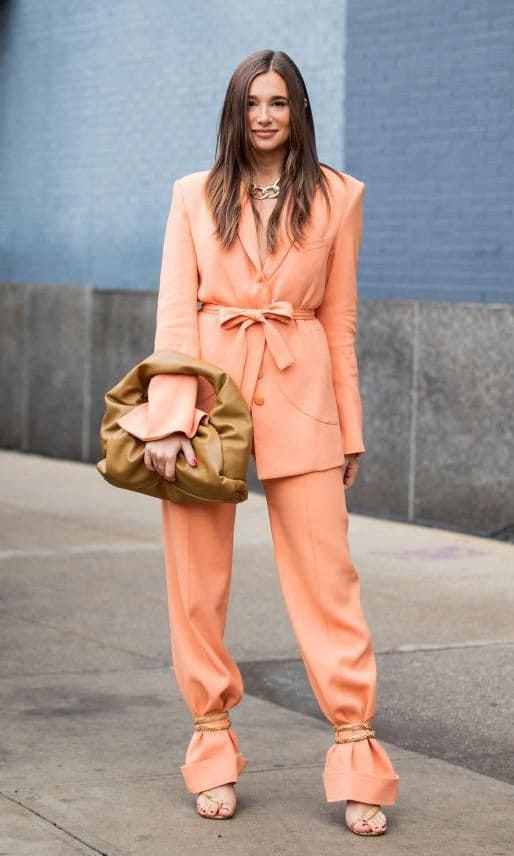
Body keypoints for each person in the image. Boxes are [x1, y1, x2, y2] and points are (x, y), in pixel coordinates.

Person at [119, 49, 400, 836]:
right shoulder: (190, 196)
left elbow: (339, 322)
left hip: (305, 395)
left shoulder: (341, 198)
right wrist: (168, 422)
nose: (266, 115)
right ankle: (210, 744)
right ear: (235, 112)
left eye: (279, 102)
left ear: (299, 109)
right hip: (205, 401)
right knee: (196, 584)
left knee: (327, 581)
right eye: (252, 103)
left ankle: (355, 750)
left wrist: (351, 427)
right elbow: (176, 319)